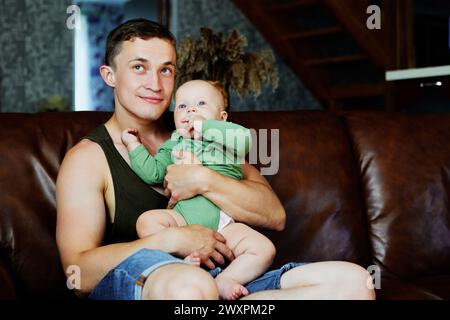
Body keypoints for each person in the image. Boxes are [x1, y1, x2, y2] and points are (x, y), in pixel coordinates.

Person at [55, 18, 376, 300]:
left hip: (225, 276)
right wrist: (172, 239)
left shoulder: (203, 135)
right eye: (139, 67)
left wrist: (203, 179)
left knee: (354, 283)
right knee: (193, 288)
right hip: (153, 280)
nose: (155, 84)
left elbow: (273, 214)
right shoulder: (88, 158)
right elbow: (77, 273)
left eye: (166, 70)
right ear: (109, 75)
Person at [121, 79, 276, 300]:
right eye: (182, 106)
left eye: (201, 103)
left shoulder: (226, 140)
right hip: (184, 219)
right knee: (147, 222)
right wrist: (133, 145)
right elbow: (153, 172)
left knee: (264, 249)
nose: (191, 110)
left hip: (224, 224)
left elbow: (244, 140)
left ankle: (224, 280)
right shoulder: (175, 143)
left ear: (222, 118)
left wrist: (204, 126)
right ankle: (178, 264)